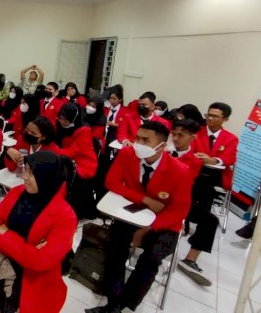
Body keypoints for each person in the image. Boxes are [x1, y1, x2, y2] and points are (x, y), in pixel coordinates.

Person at [86, 121, 192, 313]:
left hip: (164, 223)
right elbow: (111, 182)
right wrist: (144, 199)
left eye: (145, 140)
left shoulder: (180, 171)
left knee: (151, 258)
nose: (138, 144)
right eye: (138, 138)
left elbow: (179, 212)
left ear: (161, 145)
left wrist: (148, 228)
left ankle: (127, 302)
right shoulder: (127, 154)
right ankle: (113, 300)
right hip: (133, 212)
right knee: (115, 246)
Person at [0, 151, 77, 313]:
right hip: (1, 260)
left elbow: (40, 261)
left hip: (31, 278)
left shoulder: (66, 217)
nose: (24, 176)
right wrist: (28, 248)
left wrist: (5, 233)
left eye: (31, 173)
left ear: (46, 178)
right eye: (25, 169)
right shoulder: (17, 192)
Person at [168, 119, 215, 287]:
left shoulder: (194, 161)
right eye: (174, 134)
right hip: (156, 197)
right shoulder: (162, 150)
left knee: (210, 220)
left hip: (177, 202)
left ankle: (190, 259)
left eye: (181, 135)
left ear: (192, 137)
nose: (175, 138)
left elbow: (183, 183)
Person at [52, 102, 99, 219]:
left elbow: (73, 152)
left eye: (65, 119)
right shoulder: (59, 124)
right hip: (65, 159)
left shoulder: (84, 130)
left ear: (73, 118)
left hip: (84, 162)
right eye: (60, 118)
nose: (62, 121)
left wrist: (53, 149)